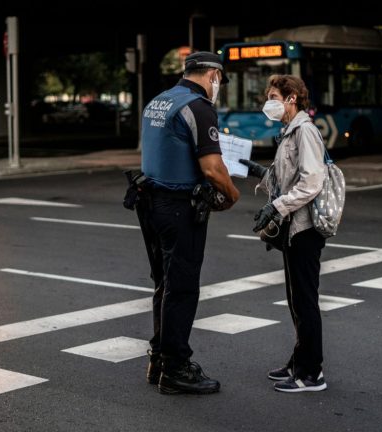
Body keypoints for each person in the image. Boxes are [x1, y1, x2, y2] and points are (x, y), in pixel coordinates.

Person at [135, 51, 240, 395]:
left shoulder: (158, 101)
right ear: (212, 74)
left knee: (165, 285)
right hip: (179, 207)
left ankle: (158, 360)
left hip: (150, 203)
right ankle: (176, 368)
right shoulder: (198, 106)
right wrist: (231, 194)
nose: (218, 85)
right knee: (182, 288)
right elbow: (212, 167)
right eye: (219, 79)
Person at [240, 74, 328, 393]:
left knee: (305, 301)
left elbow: (311, 182)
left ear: (292, 98)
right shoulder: (289, 132)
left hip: (304, 228)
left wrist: (277, 206)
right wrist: (262, 173)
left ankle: (311, 374)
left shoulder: (305, 131)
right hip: (293, 229)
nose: (269, 101)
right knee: (295, 300)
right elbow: (286, 177)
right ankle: (298, 361)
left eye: (274, 95)